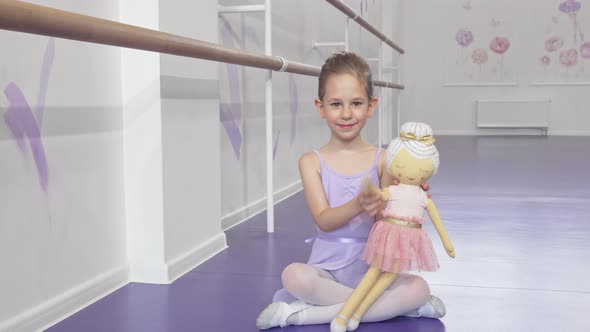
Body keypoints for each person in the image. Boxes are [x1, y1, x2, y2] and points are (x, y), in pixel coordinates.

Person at [256, 52, 445, 330]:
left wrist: (407, 200)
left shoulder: (383, 159)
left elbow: (386, 221)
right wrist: (359, 203)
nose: (346, 113)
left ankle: (302, 315)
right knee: (293, 276)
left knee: (418, 285)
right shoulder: (311, 162)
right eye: (336, 104)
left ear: (371, 106)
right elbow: (324, 219)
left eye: (356, 103)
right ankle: (395, 308)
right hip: (327, 271)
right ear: (321, 107)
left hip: (374, 268)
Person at [330, 122, 455, 332]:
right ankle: (344, 315)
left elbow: (437, 221)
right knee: (374, 272)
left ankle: (357, 314)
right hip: (389, 233)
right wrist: (370, 193)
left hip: (410, 238)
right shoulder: (395, 190)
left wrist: (447, 243)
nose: (414, 173)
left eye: (423, 170)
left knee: (388, 275)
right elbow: (381, 195)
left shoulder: (423, 197)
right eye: (404, 166)